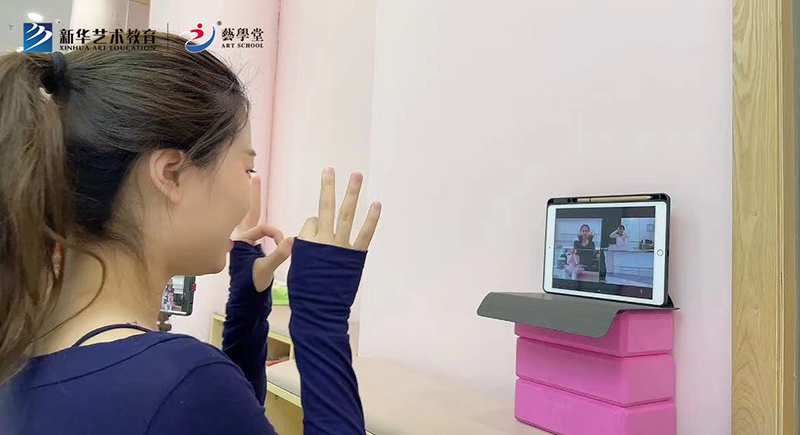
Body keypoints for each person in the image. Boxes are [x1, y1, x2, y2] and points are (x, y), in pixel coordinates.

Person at [0, 32, 381, 435]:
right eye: (247, 168)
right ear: (171, 173)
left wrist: (247, 306)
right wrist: (321, 321)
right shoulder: (183, 384)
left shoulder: (21, 349)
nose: (247, 197)